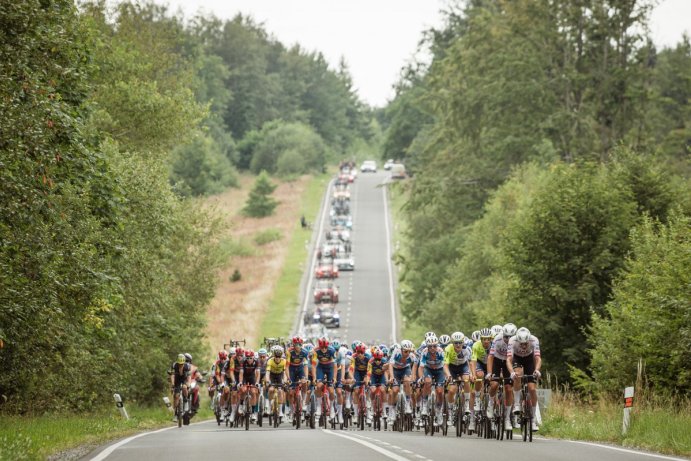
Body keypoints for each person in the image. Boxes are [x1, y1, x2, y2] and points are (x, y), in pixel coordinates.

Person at [506, 327, 542, 432]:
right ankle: (517, 404)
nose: (523, 346)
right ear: (517, 340)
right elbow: (508, 359)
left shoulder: (534, 340)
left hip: (529, 359)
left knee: (532, 389)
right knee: (518, 374)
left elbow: (538, 358)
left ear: (529, 340)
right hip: (517, 358)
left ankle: (533, 419)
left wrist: (537, 370)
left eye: (525, 343)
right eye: (521, 344)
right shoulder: (512, 340)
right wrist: (512, 372)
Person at [486, 323, 517, 430]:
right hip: (497, 361)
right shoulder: (497, 339)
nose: (508, 339)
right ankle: (490, 403)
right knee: (494, 384)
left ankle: (508, 417)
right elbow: (490, 357)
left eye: (510, 337)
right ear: (502, 334)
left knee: (508, 389)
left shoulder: (517, 341)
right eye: (506, 336)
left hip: (509, 363)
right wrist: (489, 373)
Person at [443, 332, 471, 426]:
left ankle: (466, 403)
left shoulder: (467, 349)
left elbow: (470, 363)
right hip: (452, 368)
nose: (458, 345)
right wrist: (448, 375)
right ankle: (450, 413)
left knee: (466, 379)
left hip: (463, 367)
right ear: (452, 343)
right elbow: (445, 365)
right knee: (451, 390)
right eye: (455, 343)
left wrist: (471, 374)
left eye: (460, 342)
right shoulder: (448, 349)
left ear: (463, 342)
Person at [169, 354, 191, 422]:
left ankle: (186, 400)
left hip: (184, 379)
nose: (180, 365)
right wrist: (172, 384)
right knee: (176, 396)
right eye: (179, 364)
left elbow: (189, 377)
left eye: (182, 364)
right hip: (177, 380)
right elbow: (172, 376)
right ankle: (175, 414)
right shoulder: (174, 365)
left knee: (184, 387)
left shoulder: (187, 366)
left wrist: (188, 384)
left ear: (184, 362)